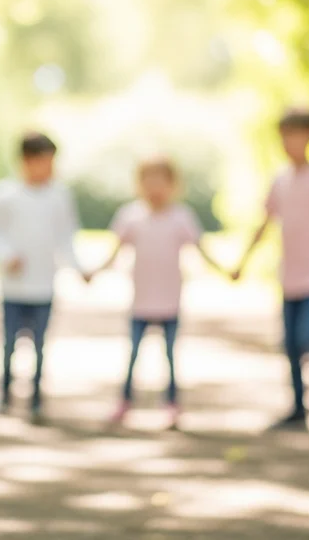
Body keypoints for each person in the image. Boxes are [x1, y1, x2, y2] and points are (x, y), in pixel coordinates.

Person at [232, 107, 309, 428]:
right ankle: (300, 406)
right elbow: (265, 223)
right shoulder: (281, 181)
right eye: (285, 136)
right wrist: (242, 262)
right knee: (290, 343)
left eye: (296, 135)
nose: (290, 143)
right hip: (291, 275)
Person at [91, 156, 226, 429]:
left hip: (169, 301)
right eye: (148, 181)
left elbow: (200, 248)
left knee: (170, 356)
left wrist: (226, 271)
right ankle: (125, 401)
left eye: (161, 182)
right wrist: (94, 272)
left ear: (173, 185)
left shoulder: (181, 216)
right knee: (133, 354)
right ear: (139, 185)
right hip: (141, 301)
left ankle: (172, 404)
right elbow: (115, 250)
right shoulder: (131, 216)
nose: (155, 188)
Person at [0, 132, 87, 423]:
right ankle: (4, 395)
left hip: (44, 284)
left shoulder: (59, 196)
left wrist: (78, 268)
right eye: (44, 160)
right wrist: (5, 255)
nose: (49, 167)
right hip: (13, 287)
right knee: (9, 345)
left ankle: (36, 397)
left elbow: (66, 236)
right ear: (26, 160)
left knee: (40, 345)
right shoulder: (5, 193)